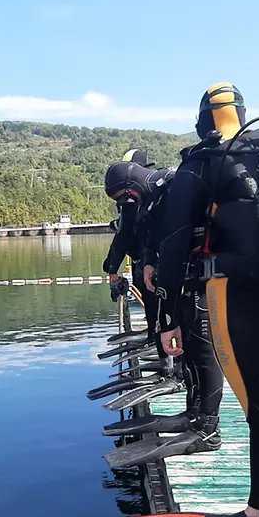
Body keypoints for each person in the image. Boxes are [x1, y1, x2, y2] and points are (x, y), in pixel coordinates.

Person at [151, 82, 259, 517]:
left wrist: (169, 319)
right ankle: (258, 513)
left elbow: (174, 245)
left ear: (203, 118)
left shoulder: (203, 163)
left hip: (241, 302)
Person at [105, 156, 224, 440]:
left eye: (123, 196)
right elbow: (150, 235)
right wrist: (148, 261)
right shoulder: (153, 197)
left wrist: (164, 282)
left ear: (131, 184)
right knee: (192, 347)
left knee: (203, 351)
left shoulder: (174, 187)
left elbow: (175, 240)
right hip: (185, 278)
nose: (125, 203)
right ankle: (194, 413)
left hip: (204, 278)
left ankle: (208, 427)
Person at [103, 150, 174, 364]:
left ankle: (168, 355)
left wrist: (112, 267)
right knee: (155, 301)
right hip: (148, 257)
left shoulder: (155, 193)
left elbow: (124, 234)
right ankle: (156, 339)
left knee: (160, 302)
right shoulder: (148, 194)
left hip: (153, 257)